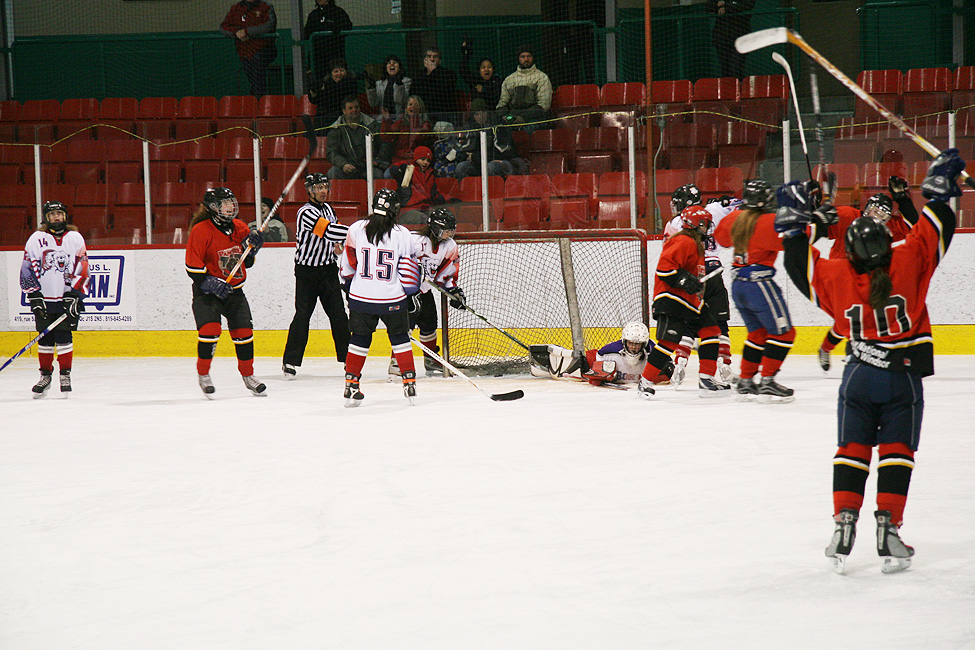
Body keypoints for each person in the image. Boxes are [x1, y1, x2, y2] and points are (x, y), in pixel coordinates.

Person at [774, 149, 964, 574]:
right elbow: (939, 225)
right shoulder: (909, 259)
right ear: (887, 245)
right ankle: (889, 527)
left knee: (852, 449)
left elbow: (795, 257)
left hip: (857, 376)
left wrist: (793, 216)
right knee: (897, 451)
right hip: (902, 377)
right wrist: (937, 189)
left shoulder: (837, 275)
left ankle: (844, 523)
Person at [817, 183, 917, 371]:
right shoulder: (847, 215)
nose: (876, 218)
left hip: (868, 277)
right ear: (866, 208)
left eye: (882, 216)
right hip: (841, 276)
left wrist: (903, 200)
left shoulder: (887, 229)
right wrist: (814, 209)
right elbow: (819, 227)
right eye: (873, 211)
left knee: (851, 319)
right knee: (848, 319)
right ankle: (844, 351)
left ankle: (836, 350)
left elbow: (915, 226)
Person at [712, 179, 796, 401]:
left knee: (758, 334)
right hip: (759, 284)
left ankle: (747, 380)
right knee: (785, 333)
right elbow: (793, 240)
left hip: (739, 284)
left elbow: (721, 237)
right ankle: (767, 380)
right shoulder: (767, 221)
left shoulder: (734, 218)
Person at [635, 205, 728, 399]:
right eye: (704, 224)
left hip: (690, 301)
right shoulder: (683, 241)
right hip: (671, 299)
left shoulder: (697, 245)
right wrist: (685, 280)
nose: (707, 227)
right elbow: (664, 270)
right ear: (695, 224)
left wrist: (693, 284)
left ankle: (706, 378)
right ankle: (645, 381)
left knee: (711, 331)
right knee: (669, 342)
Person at [339, 188, 422, 407]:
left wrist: (350, 287)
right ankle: (409, 381)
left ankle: (351, 383)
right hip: (391, 298)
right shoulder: (402, 233)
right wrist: (411, 294)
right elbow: (409, 271)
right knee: (400, 338)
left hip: (361, 296)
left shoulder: (356, 228)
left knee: (359, 339)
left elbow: (348, 265)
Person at [185, 187, 267, 398]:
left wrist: (253, 248)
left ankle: (248, 376)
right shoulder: (201, 230)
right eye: (225, 203)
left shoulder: (239, 227)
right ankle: (204, 374)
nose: (231, 206)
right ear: (213, 207)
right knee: (210, 331)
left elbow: (246, 261)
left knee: (244, 334)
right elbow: (192, 266)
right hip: (208, 293)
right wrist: (209, 282)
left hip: (234, 291)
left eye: (231, 201)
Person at [663, 185, 739, 385]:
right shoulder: (713, 210)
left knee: (689, 323)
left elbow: (668, 253)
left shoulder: (675, 222)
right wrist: (725, 201)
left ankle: (680, 363)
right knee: (720, 323)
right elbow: (741, 205)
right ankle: (724, 365)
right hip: (714, 273)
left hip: (692, 277)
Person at [282, 173, 351, 380]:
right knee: (302, 316)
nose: (323, 191)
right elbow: (329, 231)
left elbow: (335, 240)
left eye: (325, 187)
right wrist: (359, 231)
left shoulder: (329, 209)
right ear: (309, 190)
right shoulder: (305, 212)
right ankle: (290, 361)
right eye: (318, 187)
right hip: (307, 273)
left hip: (328, 270)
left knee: (339, 315)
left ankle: (349, 359)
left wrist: (338, 248)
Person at [19, 201, 89, 398]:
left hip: (67, 298)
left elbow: (82, 266)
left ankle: (65, 375)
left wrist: (75, 295)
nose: (56, 217)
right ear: (46, 218)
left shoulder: (75, 238)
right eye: (52, 214)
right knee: (45, 339)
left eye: (60, 213)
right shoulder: (36, 239)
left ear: (65, 216)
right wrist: (33, 295)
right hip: (45, 298)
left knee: (65, 337)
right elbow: (27, 267)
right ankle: (45, 375)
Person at [388, 208, 465, 377]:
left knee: (429, 323)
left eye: (452, 231)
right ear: (436, 228)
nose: (449, 235)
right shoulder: (414, 240)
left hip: (424, 291)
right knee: (406, 326)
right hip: (405, 291)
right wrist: (405, 289)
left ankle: (431, 361)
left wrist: (453, 290)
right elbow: (398, 263)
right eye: (446, 231)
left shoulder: (450, 246)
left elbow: (447, 272)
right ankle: (396, 362)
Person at [529, 321, 658, 389]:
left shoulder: (653, 355)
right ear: (624, 341)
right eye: (630, 343)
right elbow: (593, 373)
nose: (634, 347)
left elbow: (666, 374)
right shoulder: (608, 352)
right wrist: (597, 377)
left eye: (638, 344)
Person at [454, 98, 528, 179]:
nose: (478, 117)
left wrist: (477, 157)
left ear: (486, 112)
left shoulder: (499, 125)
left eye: (480, 113)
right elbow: (465, 148)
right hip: (479, 163)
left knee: (491, 167)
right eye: (476, 114)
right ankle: (468, 191)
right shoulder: (471, 127)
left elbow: (502, 152)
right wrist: (464, 155)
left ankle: (495, 191)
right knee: (461, 167)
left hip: (504, 161)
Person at [220, 0, 278, 97]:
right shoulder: (236, 9)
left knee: (257, 75)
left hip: (264, 50)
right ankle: (256, 99)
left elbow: (269, 26)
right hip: (244, 52)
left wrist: (247, 32)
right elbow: (223, 27)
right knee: (253, 80)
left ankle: (258, 100)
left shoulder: (266, 7)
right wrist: (236, 32)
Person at [325, 95, 388, 180]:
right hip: (347, 167)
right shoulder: (335, 130)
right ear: (344, 111)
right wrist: (343, 164)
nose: (354, 110)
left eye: (356, 107)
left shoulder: (373, 125)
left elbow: (384, 143)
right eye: (350, 108)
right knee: (333, 173)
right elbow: (332, 152)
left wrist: (377, 160)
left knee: (378, 174)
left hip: (368, 167)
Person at [496, 44, 553, 132]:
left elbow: (544, 105)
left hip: (534, 119)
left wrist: (523, 117)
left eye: (528, 56)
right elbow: (502, 103)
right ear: (518, 58)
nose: (526, 59)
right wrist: (505, 116)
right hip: (513, 117)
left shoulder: (542, 77)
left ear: (533, 57)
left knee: (529, 128)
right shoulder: (509, 80)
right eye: (523, 56)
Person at [389, 145, 449, 224]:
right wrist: (401, 169)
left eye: (428, 160)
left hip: (425, 209)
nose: (425, 163)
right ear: (416, 158)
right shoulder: (409, 170)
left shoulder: (430, 175)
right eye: (423, 159)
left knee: (441, 219)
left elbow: (435, 194)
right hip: (407, 210)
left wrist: (449, 199)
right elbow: (393, 170)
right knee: (426, 220)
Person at [380, 94, 434, 173]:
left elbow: (422, 141)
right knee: (387, 174)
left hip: (418, 162)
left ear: (421, 108)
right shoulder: (400, 123)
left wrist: (414, 120)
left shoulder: (426, 126)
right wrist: (386, 120)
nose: (413, 107)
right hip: (399, 160)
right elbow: (387, 137)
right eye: (410, 105)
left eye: (416, 105)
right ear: (406, 108)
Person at [303, 0, 353, 85]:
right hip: (318, 58)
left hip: (335, 56)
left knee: (337, 83)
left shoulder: (339, 12)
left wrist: (336, 29)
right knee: (319, 84)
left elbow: (347, 26)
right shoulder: (313, 15)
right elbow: (306, 34)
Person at [706, 0, 755, 79]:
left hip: (740, 36)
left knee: (735, 69)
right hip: (722, 37)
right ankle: (728, 90)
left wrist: (726, 7)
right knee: (725, 70)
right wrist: (718, 5)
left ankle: (738, 89)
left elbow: (747, 4)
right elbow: (709, 6)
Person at [308, 59, 362, 128]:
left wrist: (324, 87)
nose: (339, 73)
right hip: (325, 118)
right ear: (331, 73)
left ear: (346, 72)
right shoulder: (326, 83)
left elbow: (342, 95)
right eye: (336, 71)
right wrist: (313, 92)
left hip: (344, 118)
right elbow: (315, 101)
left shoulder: (350, 83)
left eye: (342, 70)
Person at [410, 46, 458, 121]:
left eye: (435, 57)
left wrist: (434, 71)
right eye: (429, 56)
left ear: (440, 60)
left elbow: (444, 91)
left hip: (443, 113)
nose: (432, 59)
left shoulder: (449, 74)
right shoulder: (418, 77)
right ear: (424, 60)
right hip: (423, 115)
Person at [367, 54, 412, 121]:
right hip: (383, 118)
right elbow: (373, 104)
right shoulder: (379, 83)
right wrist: (372, 88)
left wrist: (399, 83)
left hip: (400, 118)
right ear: (385, 67)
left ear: (399, 67)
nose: (392, 65)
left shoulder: (406, 81)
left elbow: (400, 101)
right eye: (389, 63)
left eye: (395, 62)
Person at [459, 40, 502, 108]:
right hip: (478, 116)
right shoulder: (476, 80)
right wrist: (466, 54)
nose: (486, 70)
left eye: (489, 67)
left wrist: (484, 90)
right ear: (479, 70)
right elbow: (463, 70)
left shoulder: (497, 81)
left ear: (493, 69)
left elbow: (495, 98)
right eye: (483, 67)